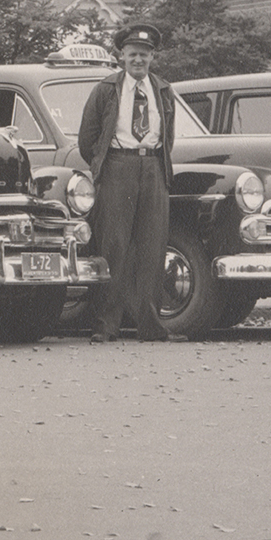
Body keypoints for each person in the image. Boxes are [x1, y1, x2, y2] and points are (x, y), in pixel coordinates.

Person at [76, 23, 187, 343]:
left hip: (153, 168)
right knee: (115, 247)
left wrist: (153, 162)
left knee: (153, 248)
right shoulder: (106, 89)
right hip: (117, 168)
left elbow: (169, 136)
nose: (138, 60)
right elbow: (88, 138)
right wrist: (104, 166)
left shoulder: (163, 90)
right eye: (133, 54)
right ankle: (106, 325)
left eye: (145, 55)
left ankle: (151, 327)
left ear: (153, 57)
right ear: (121, 56)